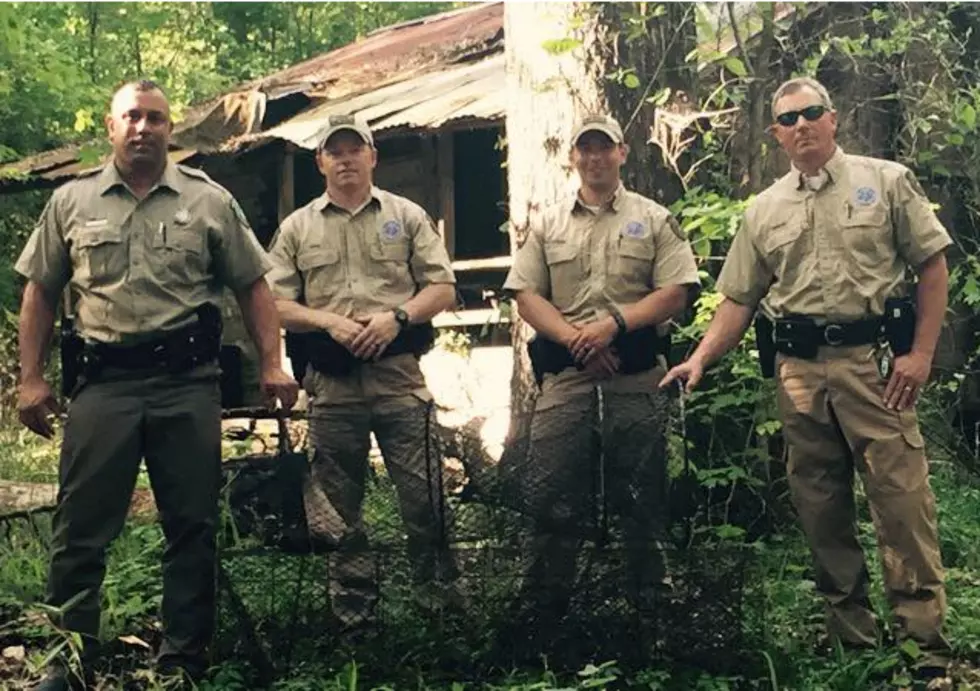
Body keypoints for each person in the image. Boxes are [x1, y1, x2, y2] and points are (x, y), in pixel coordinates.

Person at [661, 77, 952, 680]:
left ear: (833, 118)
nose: (802, 126)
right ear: (776, 134)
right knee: (820, 507)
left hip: (875, 366)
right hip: (799, 374)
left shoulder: (886, 182)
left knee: (901, 504)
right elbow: (739, 300)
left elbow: (932, 266)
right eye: (789, 119)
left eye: (812, 113)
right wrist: (700, 359)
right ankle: (853, 640)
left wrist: (921, 354)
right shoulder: (766, 209)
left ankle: (922, 644)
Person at [15, 80, 298, 690]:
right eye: (132, 117)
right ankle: (69, 657)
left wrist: (273, 363)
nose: (144, 128)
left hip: (185, 385)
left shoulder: (209, 201)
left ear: (172, 129)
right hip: (102, 386)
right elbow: (39, 290)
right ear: (111, 128)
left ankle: (182, 661)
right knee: (80, 527)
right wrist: (30, 378)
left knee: (192, 524)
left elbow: (253, 286)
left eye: (156, 119)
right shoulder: (71, 201)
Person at [499, 113, 700, 643]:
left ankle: (651, 606)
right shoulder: (547, 224)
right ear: (573, 157)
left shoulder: (654, 219)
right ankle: (545, 607)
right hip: (567, 377)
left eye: (604, 148)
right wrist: (575, 340)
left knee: (642, 490)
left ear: (622, 153)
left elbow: (677, 290)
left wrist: (612, 327)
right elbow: (525, 294)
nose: (594, 158)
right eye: (584, 149)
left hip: (637, 375)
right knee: (550, 491)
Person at [267, 113, 460, 631]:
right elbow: (272, 303)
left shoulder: (407, 215)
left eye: (356, 149)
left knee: (426, 498)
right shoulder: (297, 228)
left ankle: (439, 610)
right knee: (337, 507)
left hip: (399, 379)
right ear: (320, 162)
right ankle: (355, 617)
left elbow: (442, 287)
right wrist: (326, 321)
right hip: (331, 387)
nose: (346, 159)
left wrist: (397, 318)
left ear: (373, 157)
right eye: (335, 151)